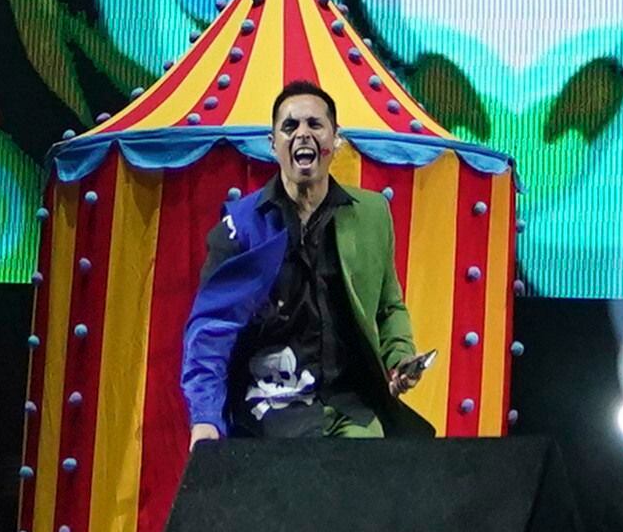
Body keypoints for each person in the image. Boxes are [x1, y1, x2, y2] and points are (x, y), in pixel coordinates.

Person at [182, 80, 439, 441]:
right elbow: (210, 331)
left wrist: (399, 357)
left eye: (315, 125)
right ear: (274, 145)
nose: (303, 134)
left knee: (375, 469)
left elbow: (387, 305)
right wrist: (205, 417)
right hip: (271, 407)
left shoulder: (371, 214)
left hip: (349, 404)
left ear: (335, 140)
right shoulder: (241, 227)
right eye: (290, 126)